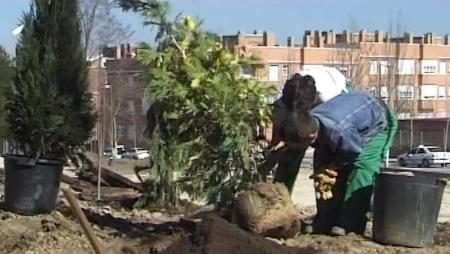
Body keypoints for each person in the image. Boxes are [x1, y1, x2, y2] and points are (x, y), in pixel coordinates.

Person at [280, 91, 398, 236]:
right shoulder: (309, 122)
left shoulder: (341, 131)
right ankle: (325, 218)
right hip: (349, 123)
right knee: (320, 167)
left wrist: (333, 167)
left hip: (376, 123)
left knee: (361, 169)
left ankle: (351, 223)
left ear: (311, 137)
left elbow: (352, 152)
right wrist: (325, 170)